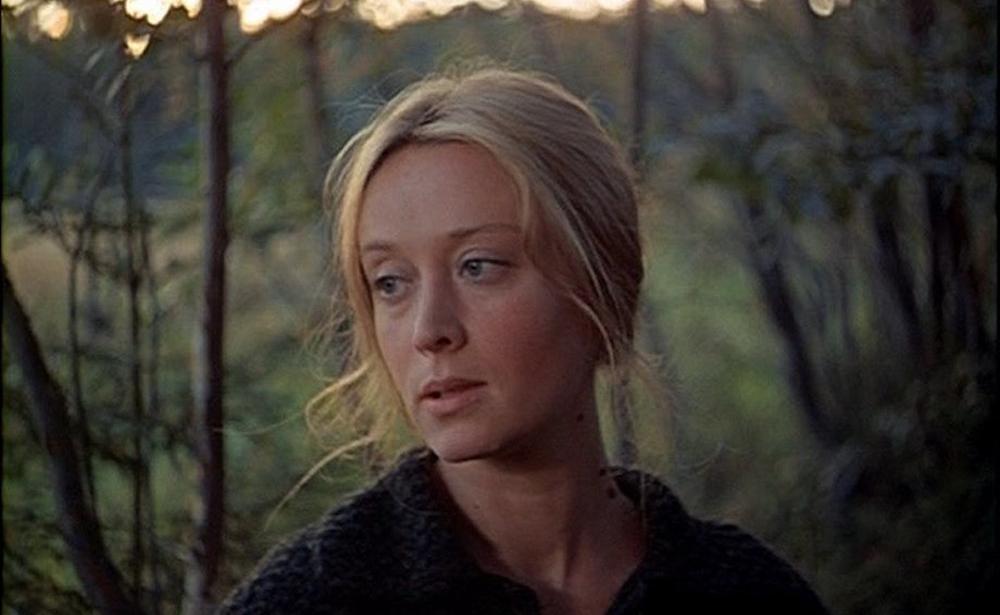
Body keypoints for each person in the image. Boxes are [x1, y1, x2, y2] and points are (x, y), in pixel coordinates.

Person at [219, 68, 828, 615]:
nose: (430, 331)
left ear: (604, 290)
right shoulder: (312, 598)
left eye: (478, 266)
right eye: (390, 282)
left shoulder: (748, 593)